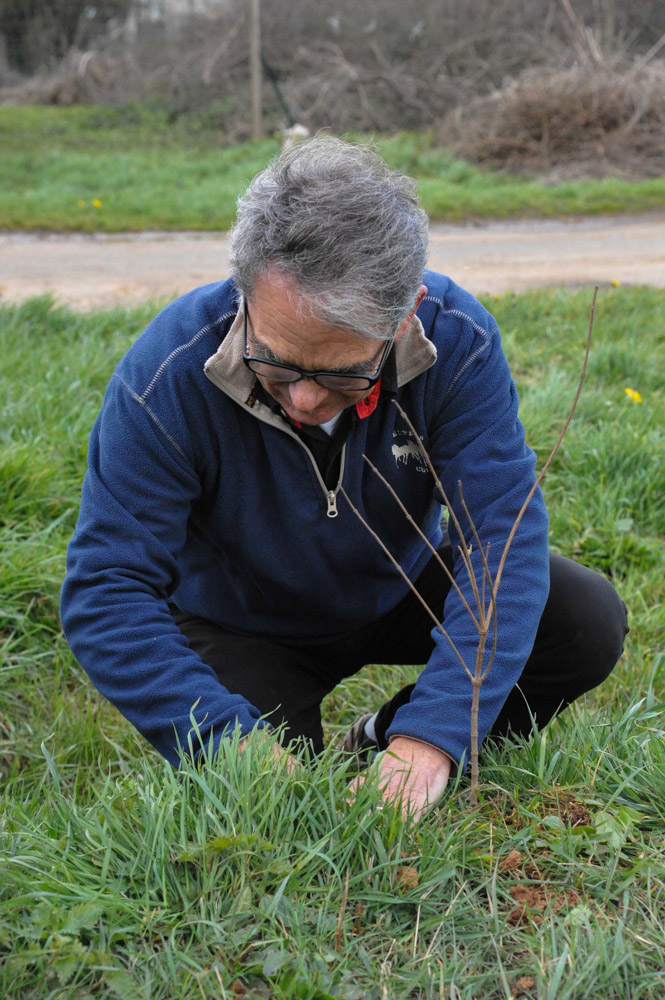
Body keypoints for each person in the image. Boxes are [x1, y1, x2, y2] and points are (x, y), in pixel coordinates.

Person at [60, 137, 627, 819]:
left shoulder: (456, 343)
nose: (301, 399)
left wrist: (432, 736)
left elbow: (501, 543)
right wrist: (225, 738)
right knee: (284, 816)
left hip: (399, 587)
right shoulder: (166, 377)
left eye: (339, 373)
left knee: (584, 621)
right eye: (274, 363)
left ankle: (381, 739)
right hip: (239, 621)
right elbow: (107, 588)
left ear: (406, 312)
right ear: (243, 293)